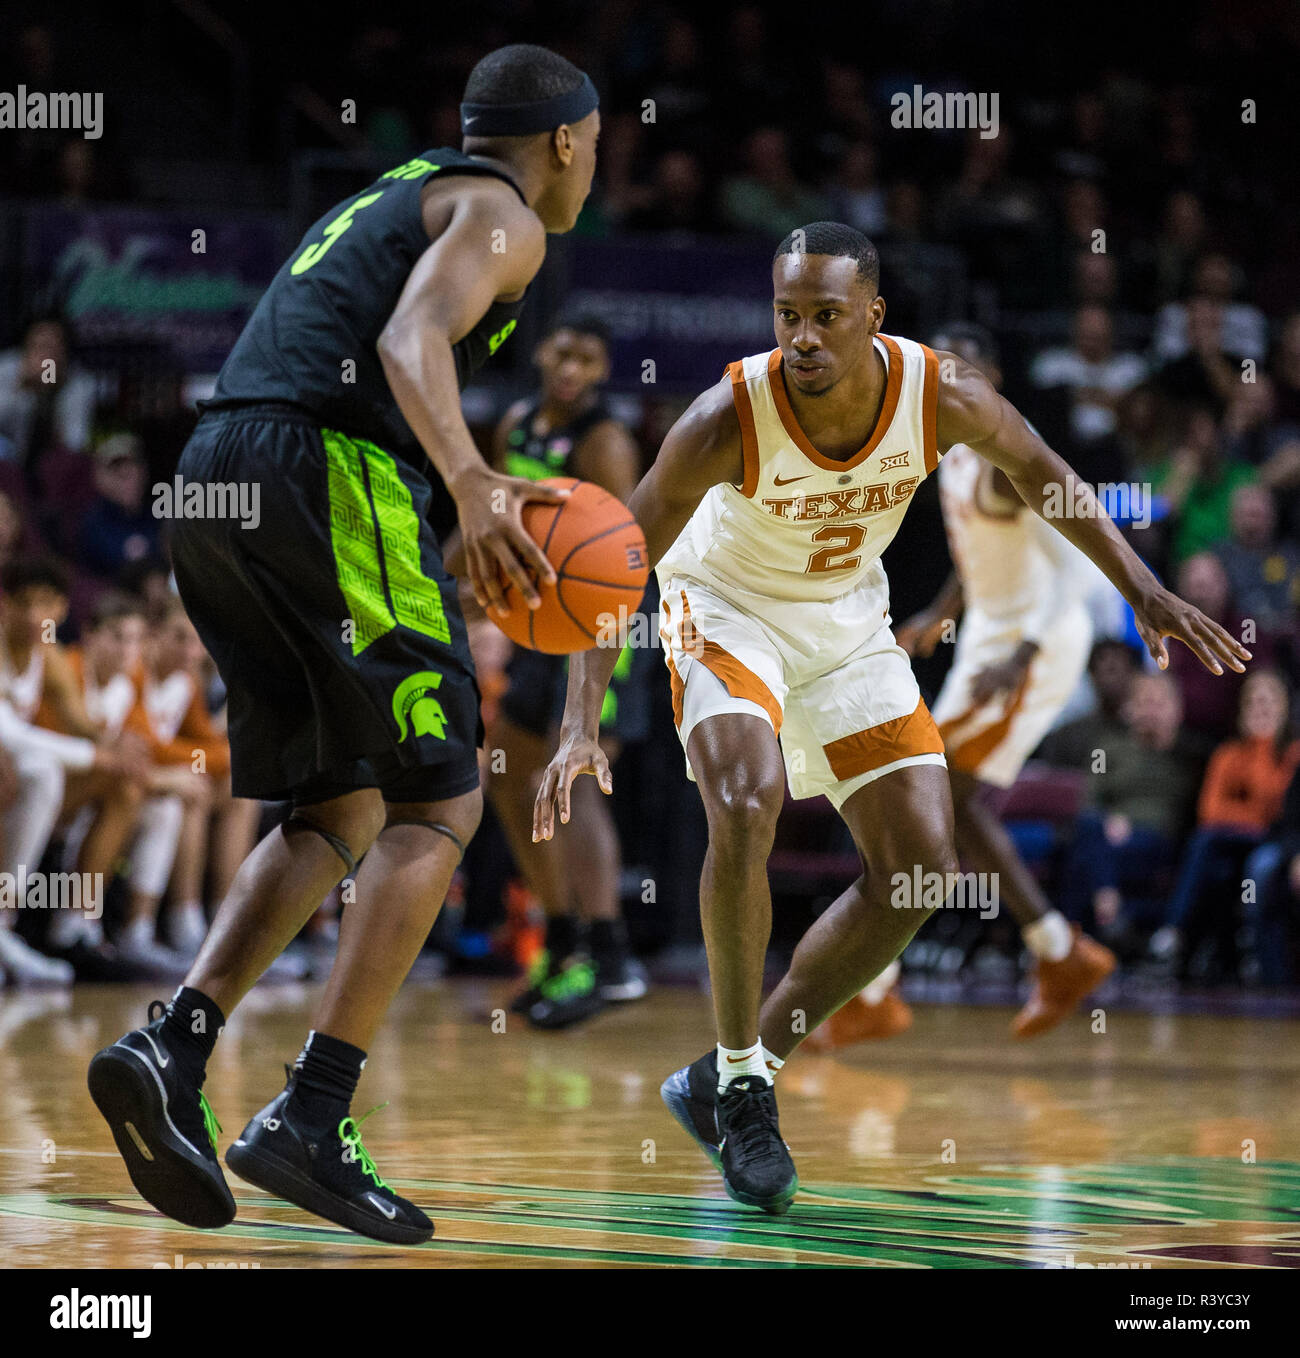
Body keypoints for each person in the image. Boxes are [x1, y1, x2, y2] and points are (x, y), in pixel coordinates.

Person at [533, 222, 1248, 1215]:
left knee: (920, 868)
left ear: (873, 315)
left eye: (826, 316)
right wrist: (580, 717)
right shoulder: (722, 415)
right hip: (727, 606)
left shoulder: (940, 391)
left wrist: (1145, 589)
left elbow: (1046, 475)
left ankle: (729, 1072)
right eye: (787, 316)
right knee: (746, 798)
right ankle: (744, 1088)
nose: (804, 338)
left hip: (844, 621)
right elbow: (613, 561)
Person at [88, 43, 600, 1245]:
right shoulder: (507, 216)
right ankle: (313, 1113)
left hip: (218, 476)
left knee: (342, 800)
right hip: (320, 468)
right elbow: (411, 343)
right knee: (443, 798)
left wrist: (473, 479)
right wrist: (470, 481)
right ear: (571, 140)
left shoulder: (405, 188)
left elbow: (360, 344)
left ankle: (173, 1043)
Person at [818, 322, 1114, 1049]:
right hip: (988, 634)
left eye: (970, 370)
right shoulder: (947, 445)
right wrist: (940, 611)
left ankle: (881, 990)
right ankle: (1056, 951)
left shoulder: (1005, 462)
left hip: (1034, 644)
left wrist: (1025, 653)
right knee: (946, 799)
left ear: (997, 380)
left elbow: (1076, 568)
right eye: (945, 369)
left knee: (929, 794)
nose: (955, 383)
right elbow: (977, 550)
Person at [473, 316, 647, 1028]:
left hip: (605, 621)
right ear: (542, 352)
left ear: (602, 367)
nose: (571, 366)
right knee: (509, 770)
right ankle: (562, 935)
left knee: (575, 779)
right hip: (540, 621)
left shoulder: (605, 440)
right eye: (562, 350)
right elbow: (496, 516)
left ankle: (610, 955)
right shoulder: (515, 424)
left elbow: (625, 549)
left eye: (587, 355)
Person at [1150, 670, 1300, 970]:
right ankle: (1194, 949)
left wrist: (1263, 749)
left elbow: (1280, 808)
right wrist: (1254, 815)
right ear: (1241, 709)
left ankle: (1175, 931)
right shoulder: (1228, 753)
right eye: (1253, 701)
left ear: (1285, 709)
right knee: (1208, 849)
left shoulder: (1293, 753)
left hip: (1278, 838)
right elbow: (1210, 812)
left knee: (1232, 854)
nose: (1261, 708)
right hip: (1235, 839)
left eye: (1269, 701)